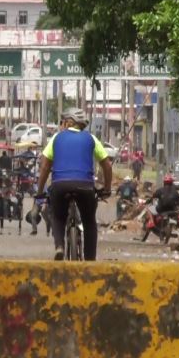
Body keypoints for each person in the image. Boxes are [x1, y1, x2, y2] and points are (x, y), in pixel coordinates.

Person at [36, 108, 113, 261]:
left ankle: (59, 247)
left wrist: (39, 191)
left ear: (66, 122)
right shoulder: (91, 138)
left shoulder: (57, 138)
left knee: (58, 217)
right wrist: (107, 188)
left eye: (62, 123)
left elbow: (44, 167)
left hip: (60, 185)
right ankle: (90, 260)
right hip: (85, 186)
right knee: (89, 221)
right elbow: (107, 166)